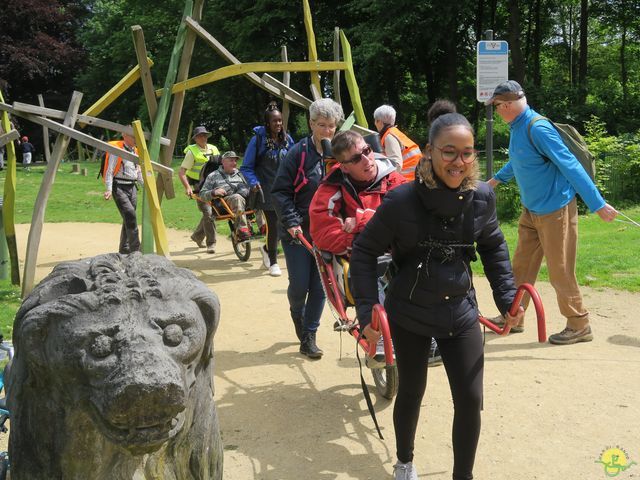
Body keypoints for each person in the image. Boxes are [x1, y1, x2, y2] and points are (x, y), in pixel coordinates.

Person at [349, 104, 524, 480]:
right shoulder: (401, 202)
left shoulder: (481, 198)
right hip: (409, 312)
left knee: (470, 398)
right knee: (411, 390)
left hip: (459, 312)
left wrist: (507, 299)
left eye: (466, 153)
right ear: (429, 152)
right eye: (448, 151)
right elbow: (363, 252)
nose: (458, 161)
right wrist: (367, 313)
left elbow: (493, 248)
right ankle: (405, 461)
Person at [485, 80, 617, 345]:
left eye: (497, 106)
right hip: (531, 210)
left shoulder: (538, 128)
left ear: (508, 104)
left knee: (560, 270)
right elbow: (521, 159)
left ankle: (579, 325)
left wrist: (597, 203)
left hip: (556, 210)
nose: (496, 111)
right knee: (520, 267)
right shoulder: (518, 126)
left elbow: (570, 165)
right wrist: (495, 181)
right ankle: (514, 316)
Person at [272, 98, 344, 358]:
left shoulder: (340, 152)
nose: (326, 131)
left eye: (331, 126)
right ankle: (296, 313)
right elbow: (279, 192)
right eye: (321, 125)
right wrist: (291, 222)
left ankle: (309, 335)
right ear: (311, 124)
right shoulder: (297, 153)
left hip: (328, 232)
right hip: (297, 232)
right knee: (299, 285)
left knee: (321, 286)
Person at [240, 101, 295, 277]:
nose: (278, 124)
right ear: (267, 123)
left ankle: (265, 248)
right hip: (266, 190)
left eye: (280, 121)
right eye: (274, 121)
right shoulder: (257, 140)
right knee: (273, 224)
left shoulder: (287, 139)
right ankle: (273, 262)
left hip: (286, 190)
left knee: (286, 224)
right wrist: (254, 182)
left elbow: (295, 161)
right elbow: (246, 167)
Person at [179, 126, 220, 254]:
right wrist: (187, 188)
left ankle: (197, 236)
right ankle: (211, 243)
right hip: (199, 186)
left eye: (204, 135)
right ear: (195, 138)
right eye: (200, 136)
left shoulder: (213, 149)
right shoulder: (192, 152)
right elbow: (181, 172)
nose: (203, 137)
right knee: (208, 212)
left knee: (215, 212)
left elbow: (221, 166)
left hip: (215, 184)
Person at [103, 133, 143, 254]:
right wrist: (109, 189)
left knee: (128, 218)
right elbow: (109, 171)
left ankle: (124, 249)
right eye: (133, 136)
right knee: (130, 215)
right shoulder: (117, 151)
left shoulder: (136, 152)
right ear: (124, 136)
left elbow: (139, 172)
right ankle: (136, 249)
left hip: (132, 187)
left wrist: (146, 187)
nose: (136, 139)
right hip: (119, 187)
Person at [199, 151, 252, 241]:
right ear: (223, 162)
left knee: (259, 192)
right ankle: (242, 230)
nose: (234, 163)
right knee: (237, 197)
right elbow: (202, 195)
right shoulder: (213, 176)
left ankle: (263, 226)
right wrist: (214, 192)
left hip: (243, 199)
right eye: (231, 160)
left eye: (235, 161)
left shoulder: (240, 173)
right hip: (223, 204)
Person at [373, 105, 422, 181]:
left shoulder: (389, 137)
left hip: (409, 181)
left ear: (379, 121)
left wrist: (385, 180)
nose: (375, 123)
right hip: (418, 178)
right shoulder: (395, 132)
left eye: (375, 120)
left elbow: (396, 164)